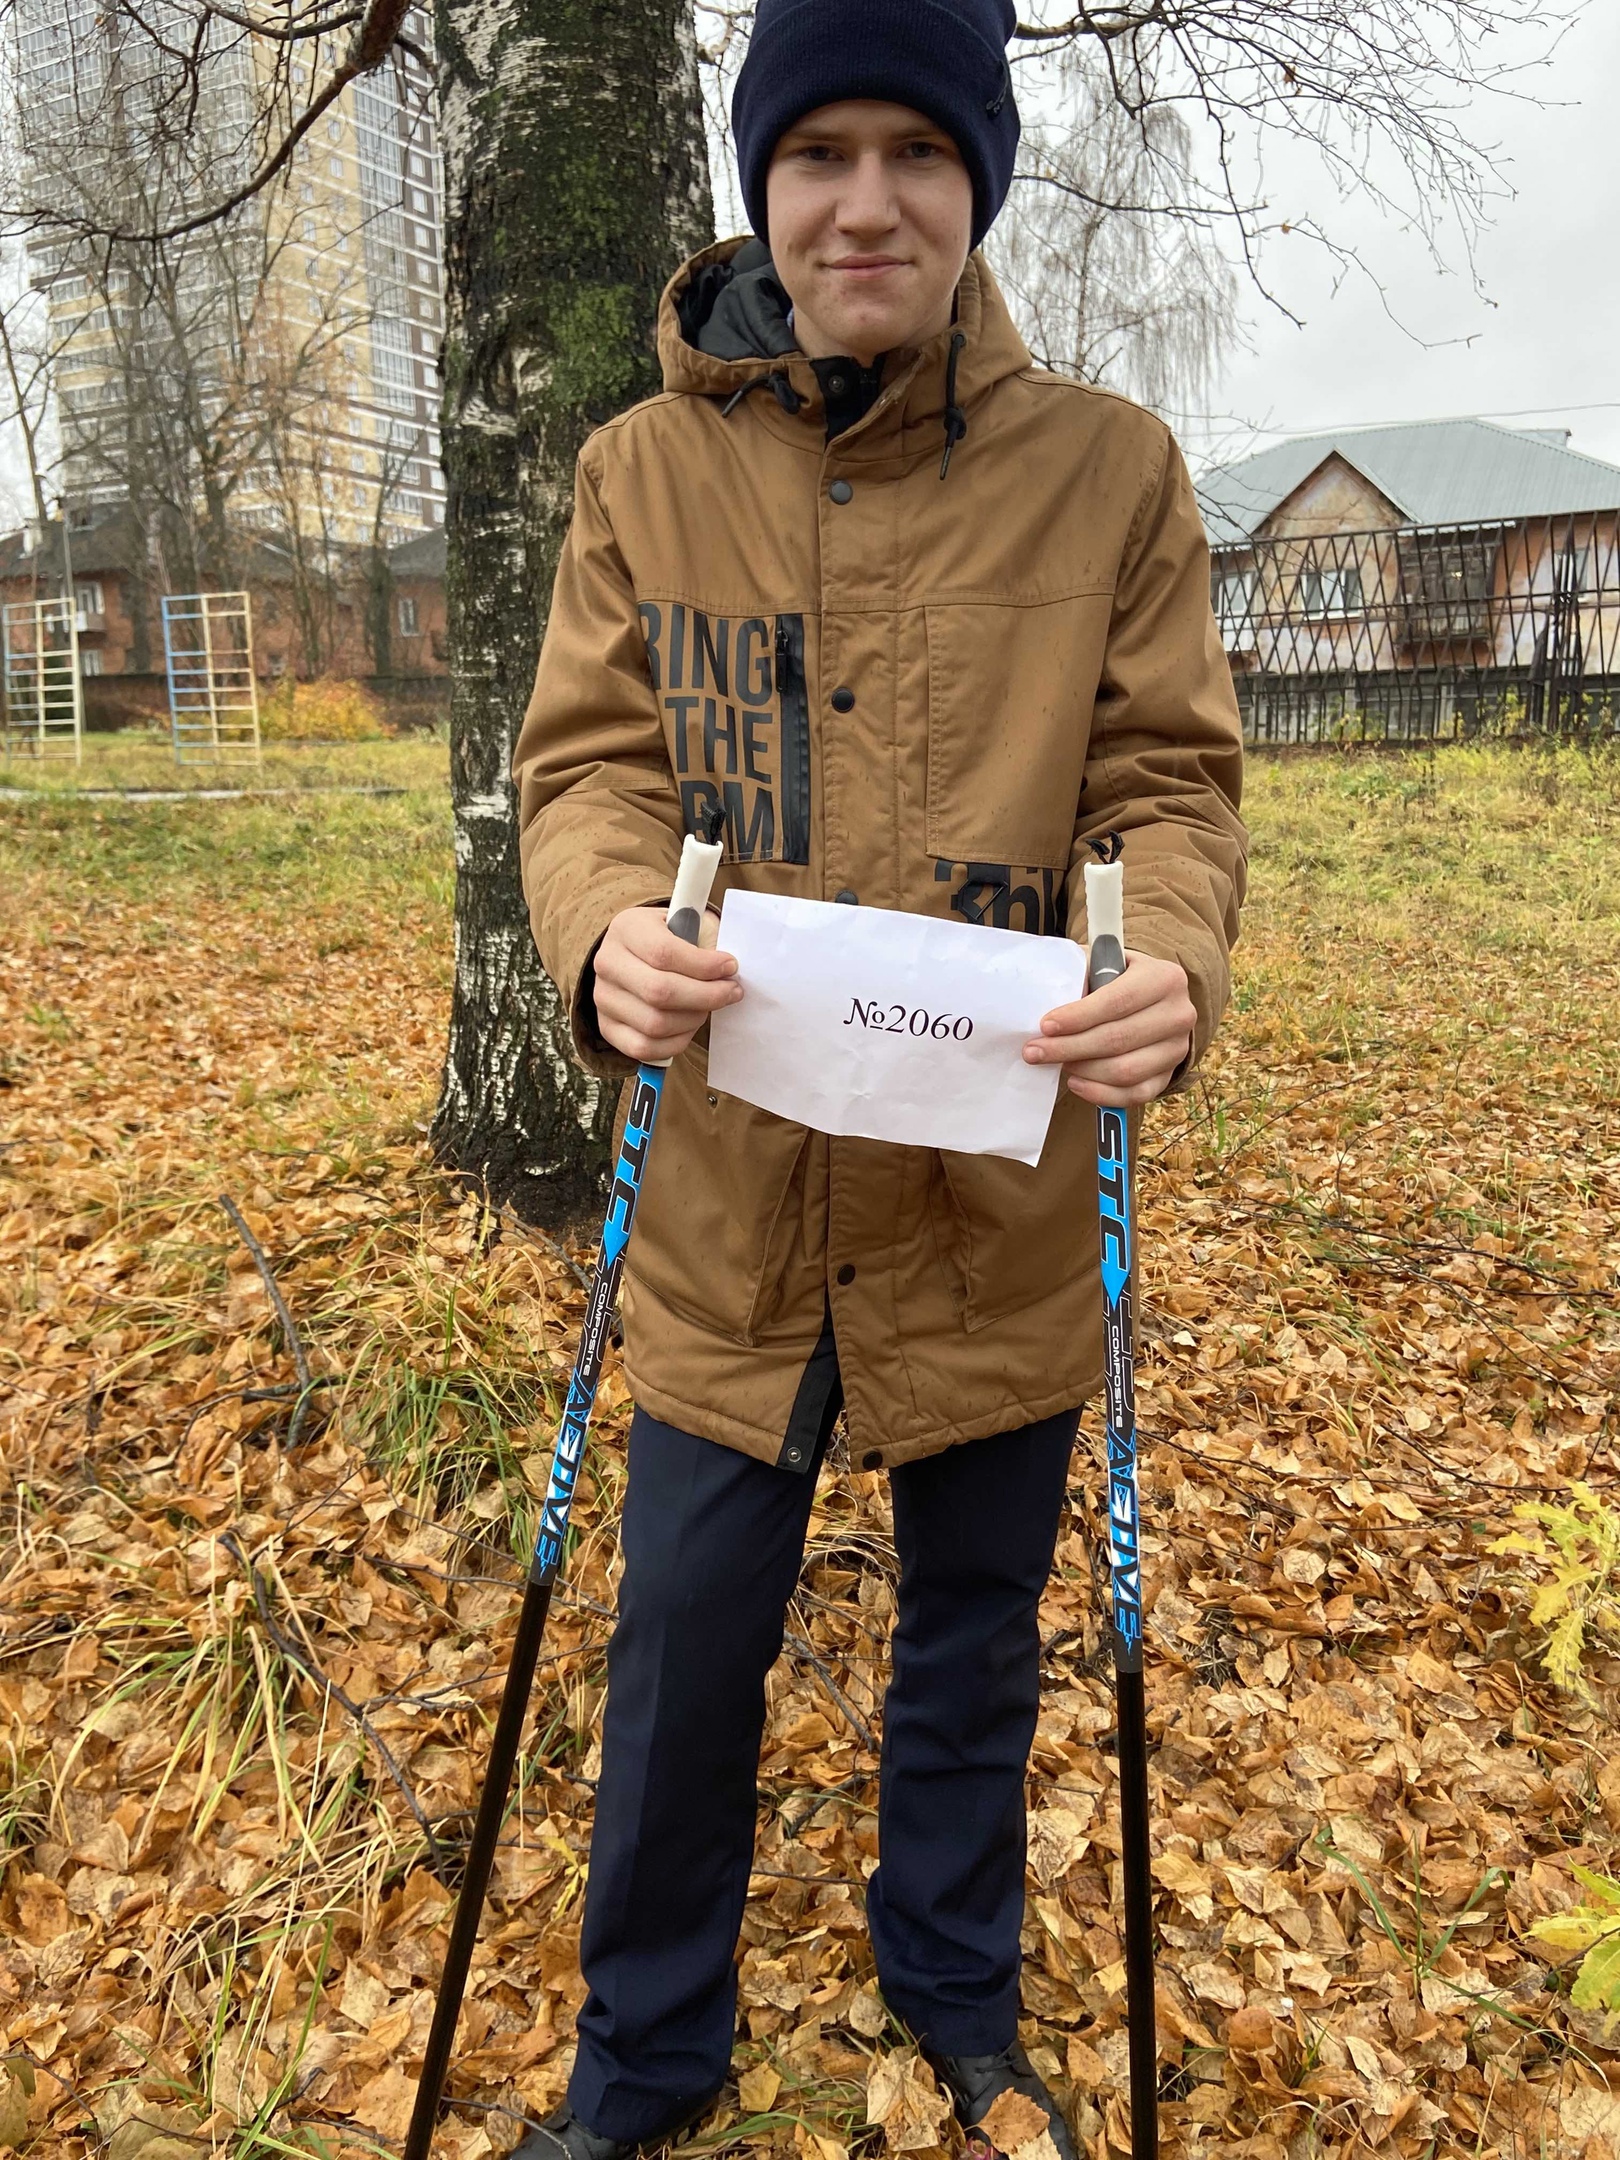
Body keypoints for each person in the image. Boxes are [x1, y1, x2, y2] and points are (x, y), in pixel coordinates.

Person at [510, 1, 1246, 2153]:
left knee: (976, 1649)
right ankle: (648, 2058)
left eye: (918, 151)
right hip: (728, 1209)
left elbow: (1168, 784)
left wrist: (1170, 957)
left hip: (993, 1201)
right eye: (817, 150)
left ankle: (954, 1992)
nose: (866, 202)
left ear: (977, 182)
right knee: (680, 1657)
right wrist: (603, 928)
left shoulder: (1113, 470)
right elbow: (590, 771)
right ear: (760, 181)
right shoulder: (640, 475)